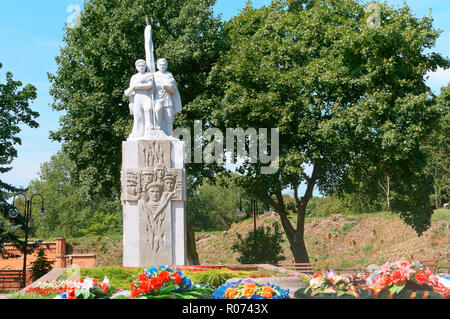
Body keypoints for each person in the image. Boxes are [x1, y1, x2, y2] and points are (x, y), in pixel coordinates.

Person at [124, 59, 154, 138]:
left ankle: (149, 130)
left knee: (148, 109)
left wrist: (136, 87)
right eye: (139, 66)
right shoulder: (134, 77)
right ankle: (138, 133)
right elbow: (131, 92)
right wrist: (131, 102)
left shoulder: (148, 75)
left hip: (146, 96)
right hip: (137, 97)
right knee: (138, 116)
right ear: (136, 67)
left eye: (143, 65)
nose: (141, 67)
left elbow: (150, 85)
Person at [153, 58, 182, 136]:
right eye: (160, 65)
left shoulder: (169, 74)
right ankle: (158, 128)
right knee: (157, 110)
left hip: (168, 98)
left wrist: (168, 87)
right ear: (157, 66)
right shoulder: (154, 75)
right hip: (158, 97)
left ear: (166, 66)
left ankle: (169, 132)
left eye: (164, 65)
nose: (162, 66)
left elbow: (173, 89)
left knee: (169, 115)